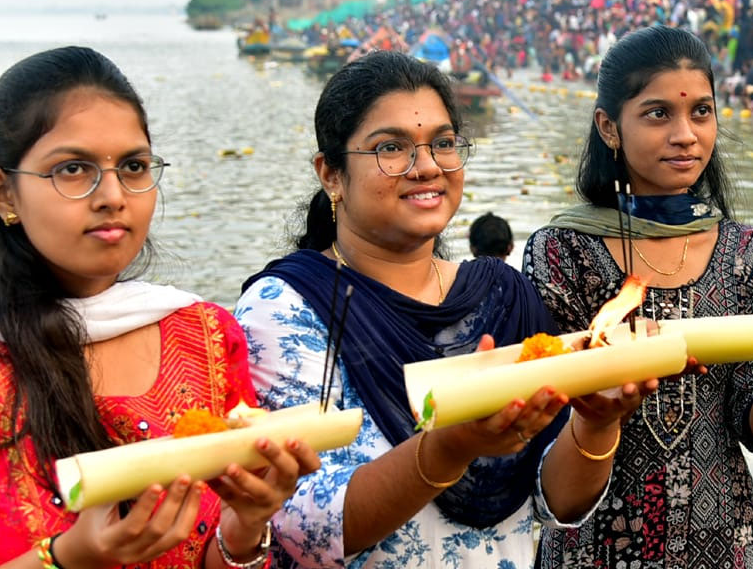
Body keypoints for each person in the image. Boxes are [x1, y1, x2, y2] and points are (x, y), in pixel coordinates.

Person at [0, 46, 316, 567]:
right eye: (73, 169)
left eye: (134, 166)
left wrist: (245, 528)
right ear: (2, 193)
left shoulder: (203, 335)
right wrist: (67, 558)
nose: (113, 195)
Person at [237, 51, 652, 569]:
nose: (428, 166)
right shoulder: (284, 308)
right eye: (391, 148)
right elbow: (302, 528)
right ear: (331, 174)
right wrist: (449, 447)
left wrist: (597, 424)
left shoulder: (504, 295)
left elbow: (556, 504)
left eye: (443, 143)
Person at [524, 25, 753, 568]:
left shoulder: (748, 252)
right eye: (658, 114)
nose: (686, 135)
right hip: (593, 548)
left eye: (701, 112)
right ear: (609, 127)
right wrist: (598, 411)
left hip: (721, 544)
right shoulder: (562, 250)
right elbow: (544, 444)